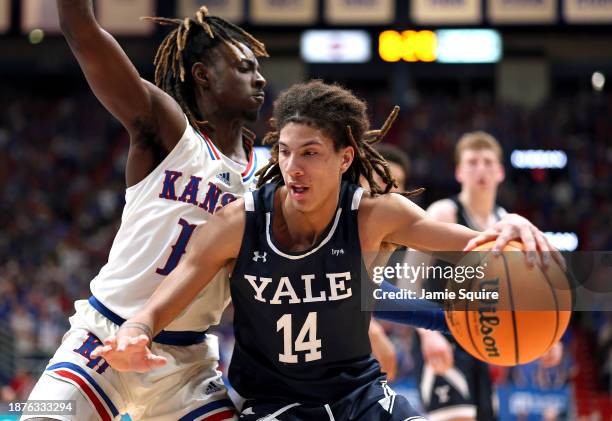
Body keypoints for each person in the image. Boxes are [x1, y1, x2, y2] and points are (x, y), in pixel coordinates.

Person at [93, 81, 560, 420]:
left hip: (361, 397)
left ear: (345, 157)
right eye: (286, 151)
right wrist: (136, 329)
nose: (293, 167)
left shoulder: (375, 214)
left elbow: (479, 244)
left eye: (310, 152)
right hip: (275, 406)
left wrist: (513, 226)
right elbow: (171, 292)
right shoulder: (240, 222)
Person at [22, 2, 268, 420]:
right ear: (204, 75)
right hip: (102, 337)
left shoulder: (269, 177)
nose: (260, 77)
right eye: (244, 67)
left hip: (186, 364)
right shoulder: (170, 134)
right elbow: (80, 29)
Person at [414, 131, 563, 421]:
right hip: (444, 338)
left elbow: (520, 290)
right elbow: (411, 276)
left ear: (500, 172)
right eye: (472, 162)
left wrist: (548, 336)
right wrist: (425, 335)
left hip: (484, 345)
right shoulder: (444, 213)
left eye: (487, 162)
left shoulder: (506, 221)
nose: (480, 168)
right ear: (459, 172)